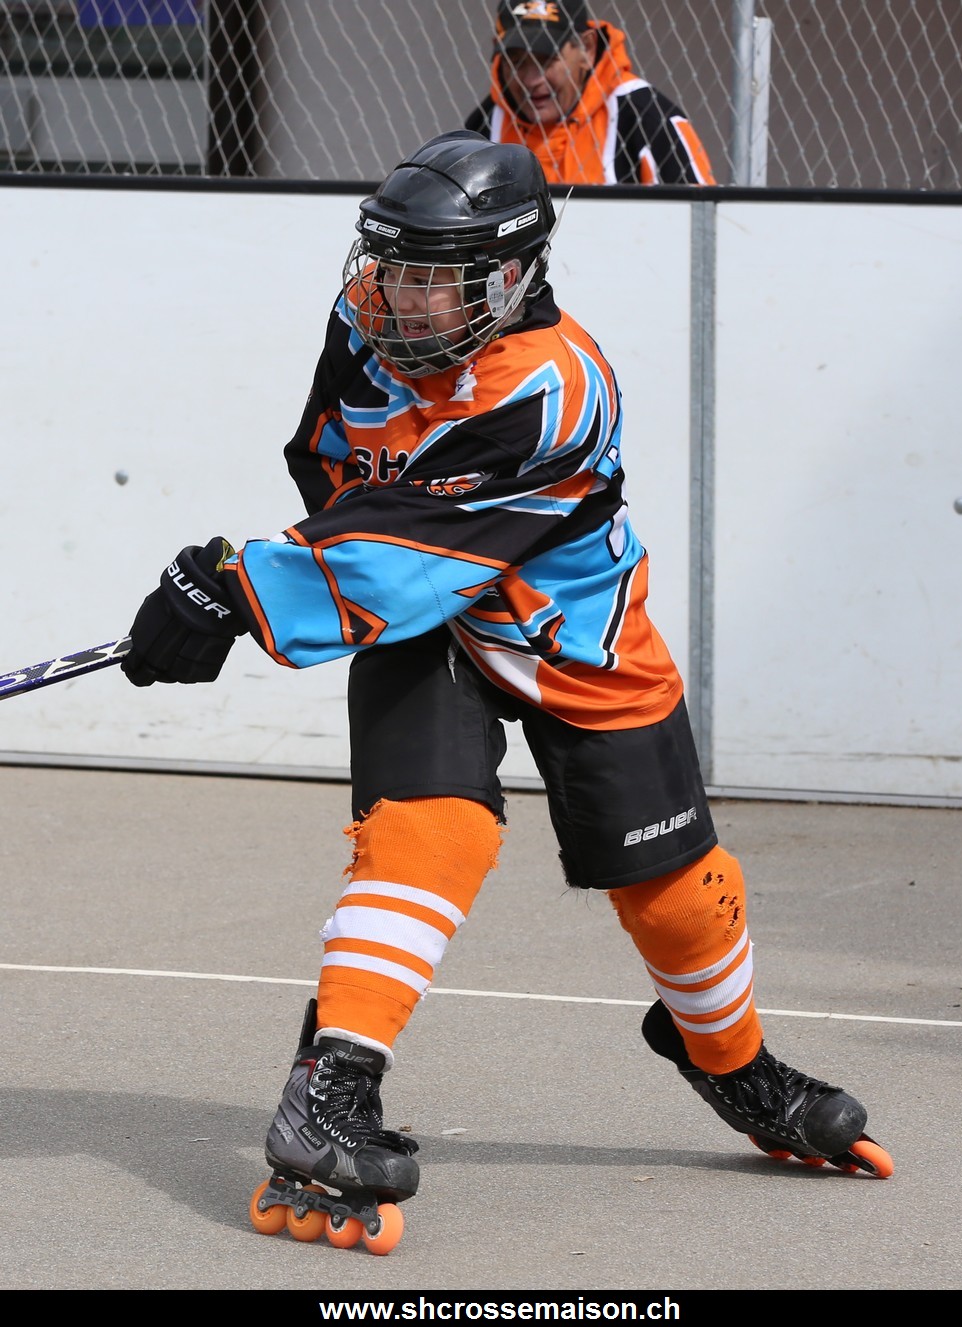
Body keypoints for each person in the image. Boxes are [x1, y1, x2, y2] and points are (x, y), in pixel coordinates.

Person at [120, 130, 892, 1254]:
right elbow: (336, 470)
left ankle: (732, 1061)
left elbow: (413, 542)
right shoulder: (368, 323)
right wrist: (240, 590)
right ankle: (329, 1091)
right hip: (424, 613)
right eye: (387, 267)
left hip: (568, 628)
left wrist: (240, 589)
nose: (397, 298)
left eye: (432, 279)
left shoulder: (554, 385)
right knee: (428, 830)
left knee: (678, 892)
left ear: (513, 275)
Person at [464, 0, 716, 186]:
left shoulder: (645, 118)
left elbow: (698, 220)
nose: (531, 80)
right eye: (516, 60)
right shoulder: (486, 126)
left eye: (546, 59)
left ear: (586, 48)